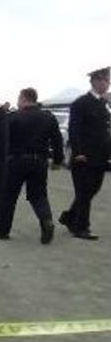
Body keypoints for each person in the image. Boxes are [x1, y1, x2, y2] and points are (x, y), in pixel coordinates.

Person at [0, 88, 64, 243]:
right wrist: (57, 160)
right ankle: (46, 221)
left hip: (16, 161)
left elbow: (3, 140)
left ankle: (3, 231)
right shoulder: (48, 117)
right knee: (38, 195)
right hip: (39, 161)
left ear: (23, 98)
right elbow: (57, 140)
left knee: (8, 197)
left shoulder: (13, 118)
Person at [59, 67, 110, 240]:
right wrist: (78, 152)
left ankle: (69, 217)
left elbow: (104, 132)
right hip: (84, 157)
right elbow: (74, 129)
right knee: (84, 192)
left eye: (108, 81)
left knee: (91, 190)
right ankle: (81, 228)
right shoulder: (81, 103)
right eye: (106, 80)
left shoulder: (103, 104)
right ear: (96, 81)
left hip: (100, 157)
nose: (108, 84)